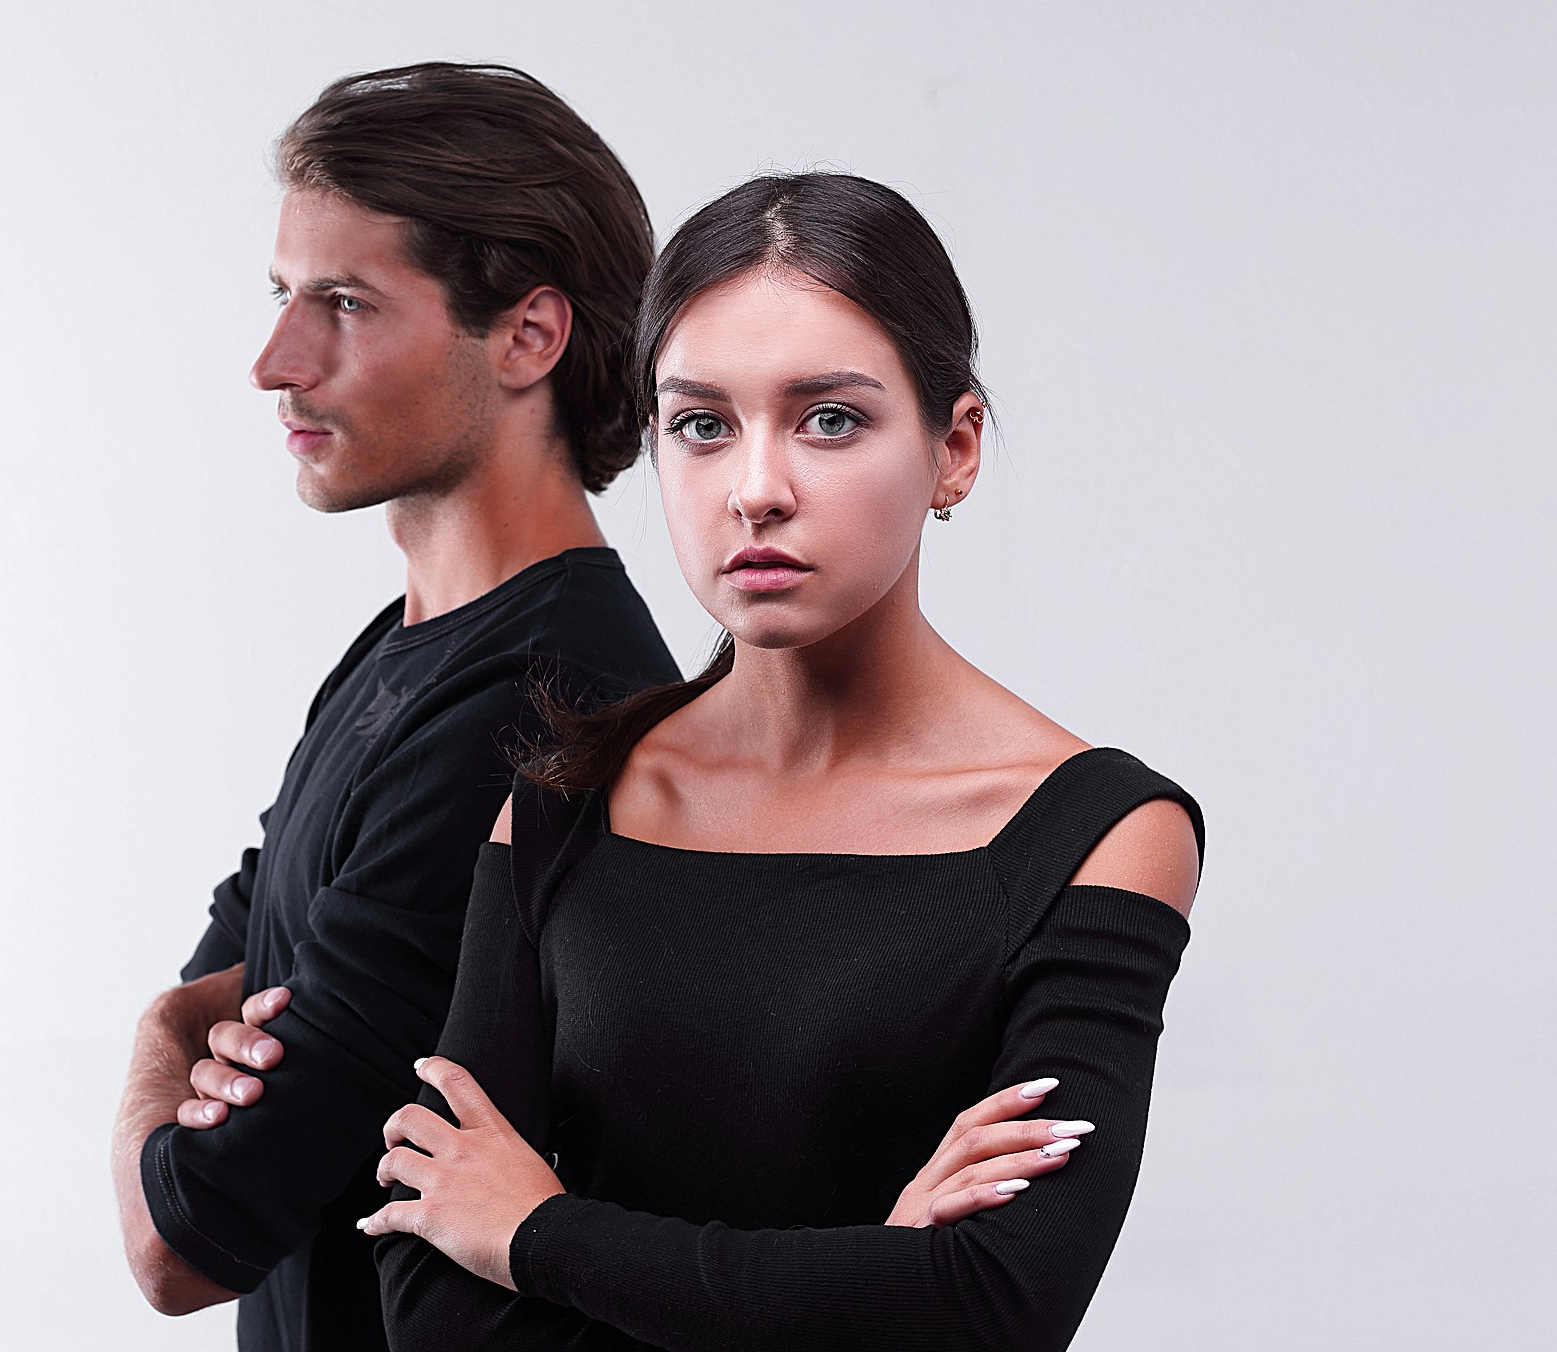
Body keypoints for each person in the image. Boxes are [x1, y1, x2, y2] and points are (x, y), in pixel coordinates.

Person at [358, 171, 1207, 1351]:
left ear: (953, 447)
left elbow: (989, 1310)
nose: (755, 489)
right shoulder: (563, 801)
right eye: (701, 424)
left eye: (828, 419)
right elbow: (429, 1305)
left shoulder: (1097, 833)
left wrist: (539, 1234)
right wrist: (863, 1282)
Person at [108, 63, 683, 1351]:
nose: (276, 360)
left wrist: (158, 1034)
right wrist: (201, 1027)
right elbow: (240, 943)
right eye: (281, 295)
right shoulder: (405, 648)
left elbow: (187, 1237)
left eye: (345, 304)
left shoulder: (543, 699)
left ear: (528, 337)